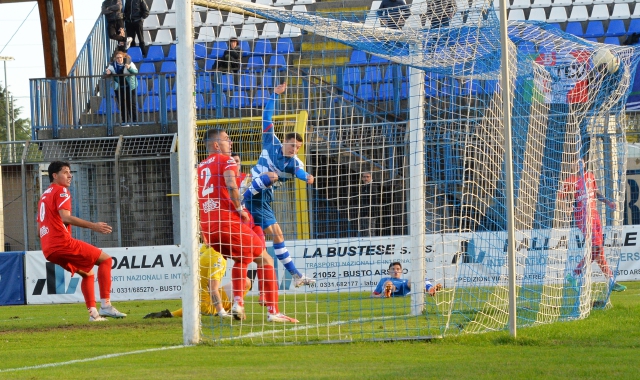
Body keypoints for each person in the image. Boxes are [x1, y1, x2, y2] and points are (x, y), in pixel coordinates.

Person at [198, 128, 297, 322]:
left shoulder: (200, 167)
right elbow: (230, 183)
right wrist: (239, 208)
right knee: (266, 259)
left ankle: (237, 303)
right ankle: (273, 312)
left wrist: (204, 231)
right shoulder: (226, 161)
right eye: (227, 139)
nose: (231, 142)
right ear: (217, 145)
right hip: (228, 222)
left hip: (210, 229)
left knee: (242, 259)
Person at [240, 83, 315, 288]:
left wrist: (306, 176)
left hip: (262, 199)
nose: (295, 150)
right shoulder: (270, 141)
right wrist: (274, 95)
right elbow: (267, 118)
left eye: (299, 147)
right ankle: (240, 197)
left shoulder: (294, 163)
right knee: (271, 175)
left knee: (277, 234)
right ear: (284, 141)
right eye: (293, 145)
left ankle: (296, 275)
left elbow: (298, 172)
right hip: (250, 187)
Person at [37, 161, 127, 322]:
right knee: (106, 260)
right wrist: (94, 226)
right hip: (62, 243)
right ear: (54, 175)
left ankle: (93, 314)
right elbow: (66, 217)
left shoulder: (44, 196)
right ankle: (106, 305)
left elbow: (39, 230)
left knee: (88, 273)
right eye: (65, 172)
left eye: (70, 172)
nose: (70, 175)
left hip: (48, 249)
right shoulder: (61, 191)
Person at [561, 159, 626, 292]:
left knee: (599, 250)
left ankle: (610, 280)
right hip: (583, 218)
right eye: (575, 161)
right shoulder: (570, 180)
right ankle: (575, 274)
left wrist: (608, 202)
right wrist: (566, 207)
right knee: (596, 247)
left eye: (581, 161)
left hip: (595, 216)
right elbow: (560, 197)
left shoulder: (590, 176)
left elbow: (596, 193)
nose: (579, 163)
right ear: (572, 164)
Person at [144, 245, 252, 319]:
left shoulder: (206, 249)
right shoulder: (218, 258)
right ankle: (228, 310)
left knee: (240, 282)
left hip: (193, 301)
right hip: (207, 305)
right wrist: (221, 313)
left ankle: (171, 314)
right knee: (245, 282)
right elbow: (212, 288)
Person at [371, 262, 442, 298]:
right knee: (388, 283)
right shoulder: (384, 279)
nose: (395, 271)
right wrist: (379, 296)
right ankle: (387, 293)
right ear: (389, 271)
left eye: (398, 269)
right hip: (393, 287)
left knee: (415, 279)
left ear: (401, 271)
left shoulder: (404, 280)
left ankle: (430, 289)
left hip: (405, 289)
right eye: (393, 269)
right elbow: (373, 294)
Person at [105, 51, 138, 125]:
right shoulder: (112, 66)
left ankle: (134, 121)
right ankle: (125, 122)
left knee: (131, 104)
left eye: (120, 57)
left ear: (123, 57)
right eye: (117, 58)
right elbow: (107, 71)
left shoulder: (129, 63)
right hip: (119, 87)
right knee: (122, 104)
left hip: (130, 86)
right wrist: (108, 72)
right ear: (115, 59)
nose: (119, 59)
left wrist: (129, 68)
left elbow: (136, 72)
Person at [354, 172, 380, 237]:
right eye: (364, 177)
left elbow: (374, 201)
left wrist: (369, 214)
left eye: (367, 177)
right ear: (362, 178)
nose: (366, 179)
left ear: (371, 177)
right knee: (365, 231)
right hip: (364, 213)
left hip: (370, 214)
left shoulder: (373, 186)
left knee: (370, 231)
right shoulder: (364, 187)